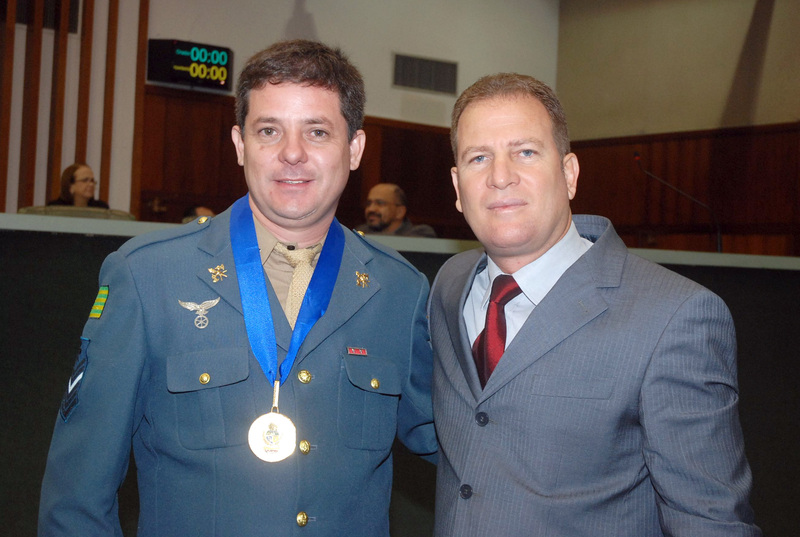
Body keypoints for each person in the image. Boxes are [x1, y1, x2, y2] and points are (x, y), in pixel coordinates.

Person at [39, 40, 437, 537]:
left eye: (317, 131)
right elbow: (76, 499)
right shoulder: (147, 277)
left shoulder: (400, 291)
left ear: (354, 149)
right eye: (269, 130)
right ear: (240, 143)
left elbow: (464, 447)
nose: (292, 153)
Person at [429, 73, 761, 536]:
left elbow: (710, 522)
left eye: (526, 152)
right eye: (478, 157)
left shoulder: (674, 318)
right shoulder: (450, 286)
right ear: (458, 186)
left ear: (569, 174)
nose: (500, 176)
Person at [356, 182, 437, 237]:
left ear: (400, 212)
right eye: (368, 203)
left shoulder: (419, 234)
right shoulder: (359, 232)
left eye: (380, 203)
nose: (371, 209)